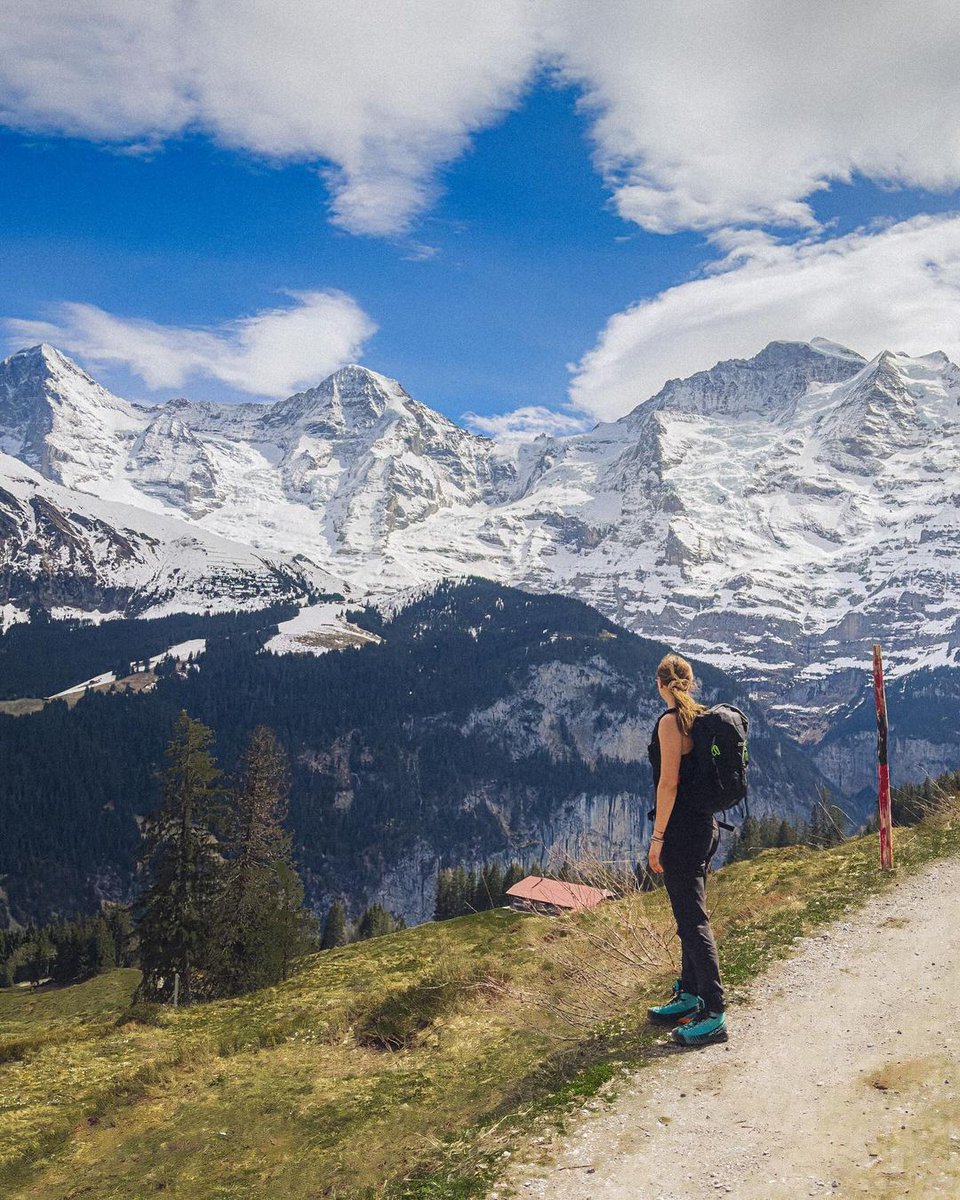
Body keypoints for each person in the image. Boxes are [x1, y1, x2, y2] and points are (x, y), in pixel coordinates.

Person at [645, 653, 728, 1047]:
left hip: (681, 832)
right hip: (706, 826)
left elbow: (668, 784)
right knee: (688, 915)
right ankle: (692, 994)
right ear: (689, 682)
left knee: (693, 920)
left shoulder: (669, 722)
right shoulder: (700, 718)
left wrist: (657, 839)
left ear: (661, 684)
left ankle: (713, 1012)